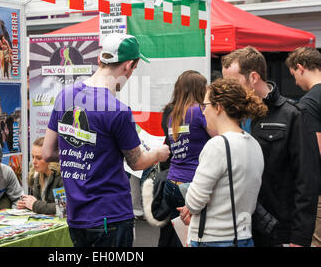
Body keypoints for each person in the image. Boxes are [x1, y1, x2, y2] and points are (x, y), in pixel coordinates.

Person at [42, 33, 170, 247]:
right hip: (110, 216)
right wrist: (159, 153)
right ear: (128, 66)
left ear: (100, 60)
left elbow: (47, 152)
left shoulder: (64, 96)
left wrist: (83, 151)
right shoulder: (118, 111)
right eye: (134, 70)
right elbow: (137, 162)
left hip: (76, 216)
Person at [221, 46, 320, 247]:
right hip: (238, 229)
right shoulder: (230, 117)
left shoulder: (293, 115)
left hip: (278, 230)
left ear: (254, 77)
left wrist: (300, 237)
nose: (227, 88)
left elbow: (307, 179)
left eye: (232, 82)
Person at [178, 78, 267, 247]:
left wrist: (190, 203)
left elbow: (194, 203)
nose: (203, 112)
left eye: (205, 105)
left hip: (213, 239)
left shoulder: (217, 145)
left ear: (218, 107)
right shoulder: (253, 144)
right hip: (243, 237)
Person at [160, 70, 211, 246]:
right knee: (194, 237)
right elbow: (221, 135)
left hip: (172, 183)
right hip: (191, 184)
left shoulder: (172, 115)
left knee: (179, 236)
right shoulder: (199, 112)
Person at [285, 46, 321, 247]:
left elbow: (315, 150)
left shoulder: (309, 102)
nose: (296, 82)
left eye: (293, 75)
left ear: (300, 68)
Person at [19, 137, 63, 215]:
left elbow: (62, 208)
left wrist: (34, 205)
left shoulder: (60, 177)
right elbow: (38, 206)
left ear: (51, 159)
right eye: (33, 157)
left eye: (39, 158)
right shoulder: (37, 176)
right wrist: (27, 205)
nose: (34, 162)